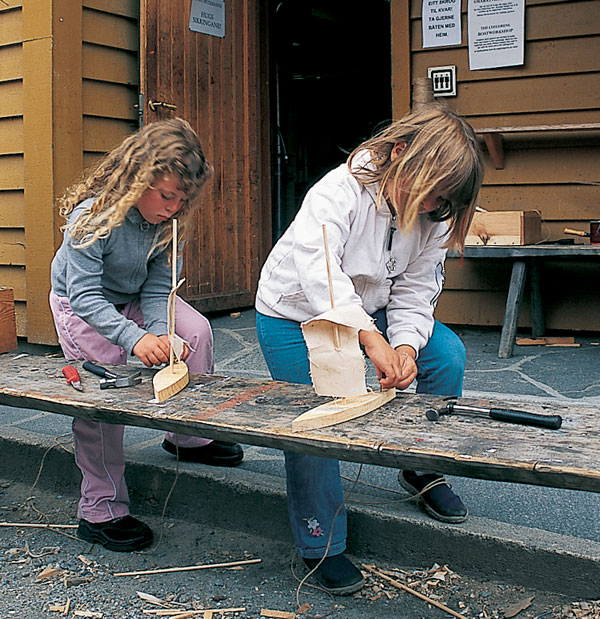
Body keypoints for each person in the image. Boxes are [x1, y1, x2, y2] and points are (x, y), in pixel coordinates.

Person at [255, 104, 483, 594]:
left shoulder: (434, 215)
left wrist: (403, 345)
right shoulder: (336, 193)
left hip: (372, 308)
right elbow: (323, 278)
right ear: (399, 153)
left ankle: (420, 465)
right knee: (319, 409)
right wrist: (370, 338)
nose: (431, 208)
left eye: (443, 202)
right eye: (429, 193)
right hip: (295, 313)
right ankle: (321, 544)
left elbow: (416, 289)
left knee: (445, 357)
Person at [49, 118, 243, 552]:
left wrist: (160, 333)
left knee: (195, 330)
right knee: (105, 388)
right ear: (139, 177)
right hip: (82, 305)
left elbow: (158, 290)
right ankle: (100, 508)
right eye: (167, 195)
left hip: (132, 298)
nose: (173, 207)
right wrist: (134, 340)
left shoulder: (168, 225)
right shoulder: (92, 217)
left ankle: (187, 436)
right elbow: (83, 296)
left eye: (183, 199)